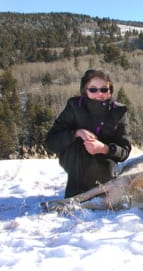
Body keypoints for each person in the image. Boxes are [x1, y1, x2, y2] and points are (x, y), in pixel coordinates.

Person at [45, 69, 132, 198]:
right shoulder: (74, 107)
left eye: (104, 89)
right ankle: (74, 197)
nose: (99, 93)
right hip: (74, 158)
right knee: (78, 155)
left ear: (110, 91)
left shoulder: (119, 112)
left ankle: (98, 192)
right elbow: (51, 142)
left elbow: (124, 151)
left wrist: (105, 148)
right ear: (85, 90)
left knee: (106, 168)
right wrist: (76, 133)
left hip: (103, 161)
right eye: (93, 89)